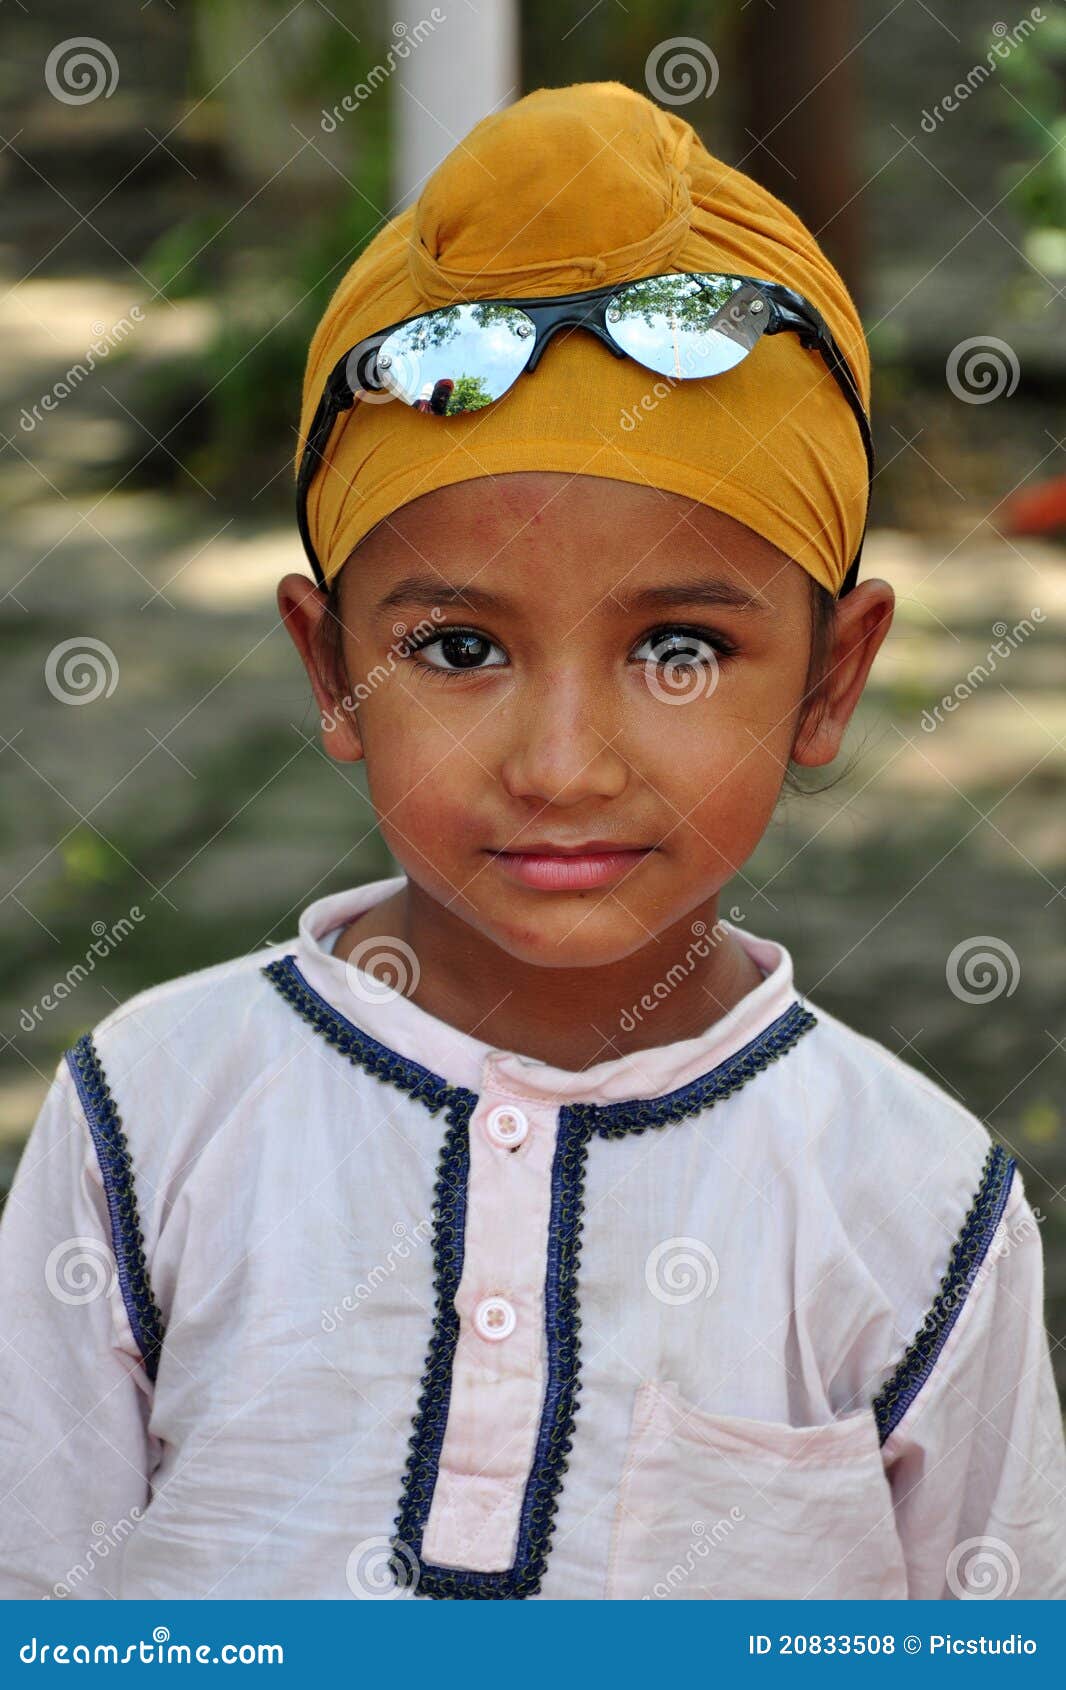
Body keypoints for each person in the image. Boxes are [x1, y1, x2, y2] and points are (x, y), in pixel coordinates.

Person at [1, 81, 1063, 1603]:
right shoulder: (150, 1119)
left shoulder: (918, 1206)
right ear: (330, 669)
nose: (563, 767)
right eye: (457, 650)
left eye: (681, 649)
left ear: (832, 679)